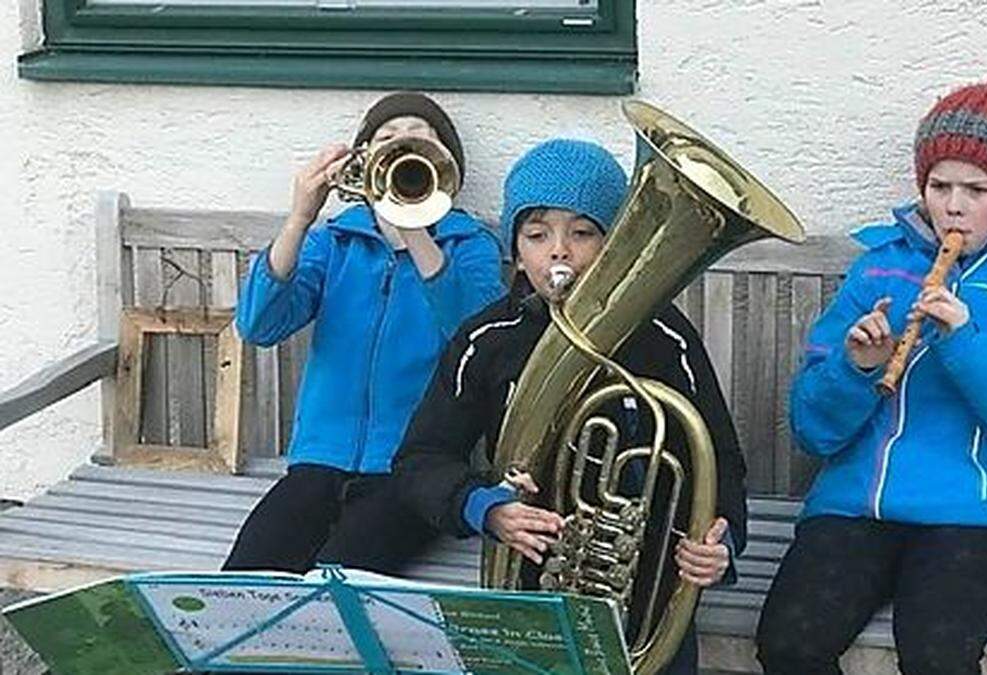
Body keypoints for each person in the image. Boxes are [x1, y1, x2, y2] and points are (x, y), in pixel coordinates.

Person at [755, 74, 987, 675]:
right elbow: (813, 432)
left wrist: (967, 344)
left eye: (977, 188)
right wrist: (856, 369)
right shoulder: (880, 269)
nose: (953, 205)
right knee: (789, 644)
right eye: (939, 185)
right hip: (856, 510)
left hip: (975, 520)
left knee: (936, 657)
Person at [392, 138, 749, 674]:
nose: (559, 251)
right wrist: (484, 507)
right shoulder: (485, 339)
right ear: (515, 250)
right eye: (537, 234)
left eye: (582, 232)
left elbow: (719, 460)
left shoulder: (663, 336)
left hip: (649, 590)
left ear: (615, 244)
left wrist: (721, 541)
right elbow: (420, 460)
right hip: (529, 580)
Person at [222, 92, 505, 576]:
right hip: (317, 462)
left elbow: (476, 338)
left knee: (338, 583)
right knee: (246, 577)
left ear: (445, 161)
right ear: (364, 161)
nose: (401, 145)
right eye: (386, 138)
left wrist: (413, 225)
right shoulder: (333, 241)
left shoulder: (469, 245)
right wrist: (300, 218)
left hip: (413, 472)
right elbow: (258, 325)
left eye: (419, 136)